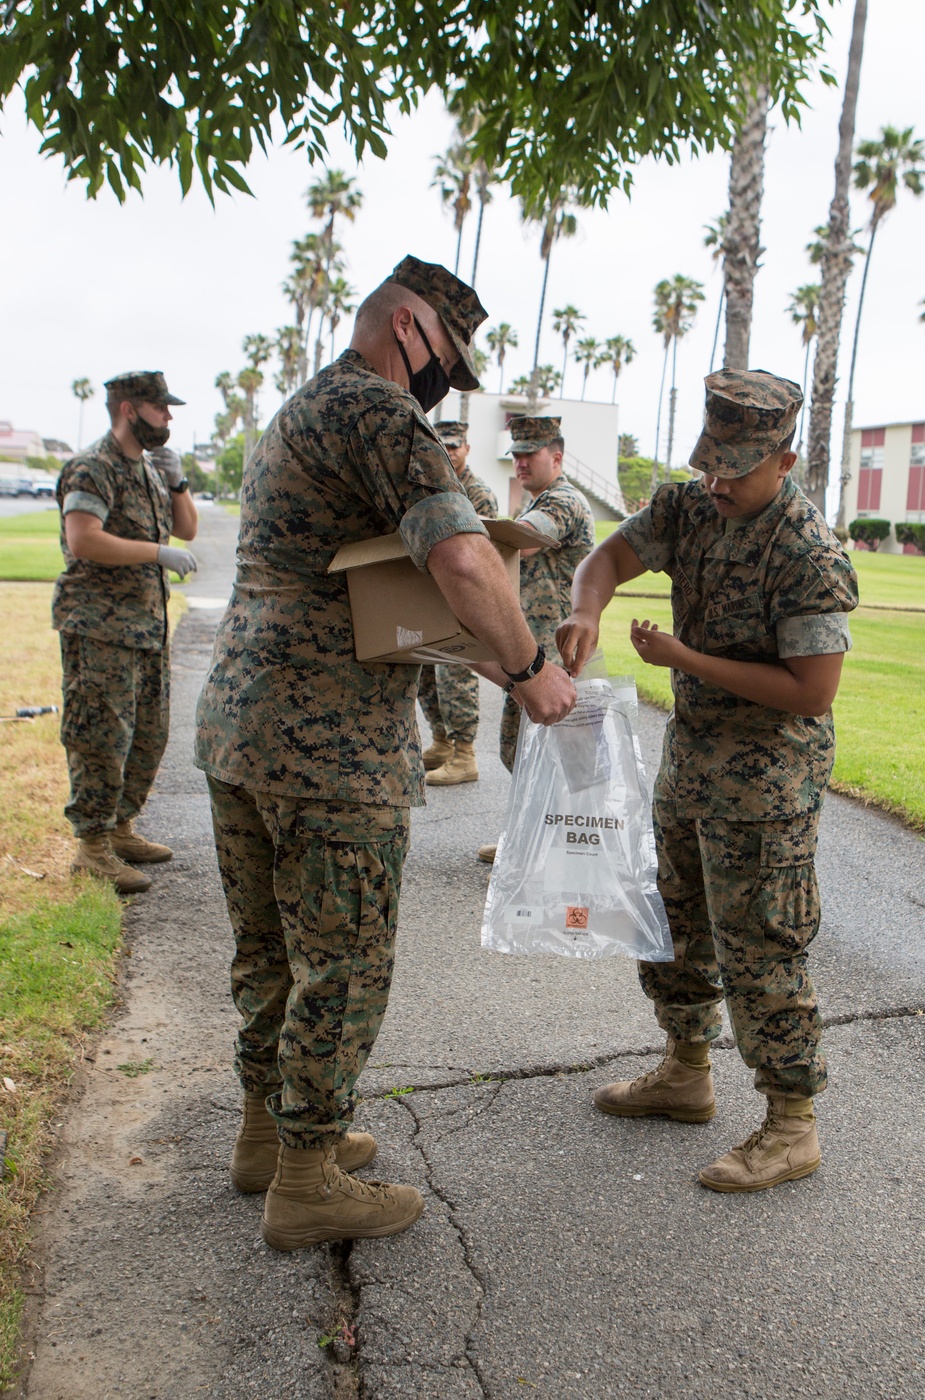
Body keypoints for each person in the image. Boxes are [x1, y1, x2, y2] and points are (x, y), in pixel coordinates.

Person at [194, 256, 576, 1250]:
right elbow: (460, 557)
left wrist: (497, 661)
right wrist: (531, 669)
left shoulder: (306, 406)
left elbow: (387, 594)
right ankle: (307, 1180)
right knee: (344, 961)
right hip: (328, 746)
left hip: (242, 725)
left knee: (269, 951)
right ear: (408, 326)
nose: (445, 381)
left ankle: (267, 1137)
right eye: (446, 356)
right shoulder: (378, 409)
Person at [557, 369, 859, 1193]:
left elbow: (812, 691)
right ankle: (685, 1071)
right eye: (708, 463)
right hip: (692, 761)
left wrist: (684, 658)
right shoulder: (690, 506)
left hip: (767, 783)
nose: (716, 483)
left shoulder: (807, 553)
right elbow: (607, 558)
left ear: (785, 461)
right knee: (675, 920)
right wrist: (586, 607)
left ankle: (792, 1124)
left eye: (736, 469)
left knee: (760, 944)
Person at [53, 370, 198, 895]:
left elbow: (187, 529)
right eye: (160, 407)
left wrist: (178, 483)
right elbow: (84, 539)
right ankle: (92, 847)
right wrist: (156, 553)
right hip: (99, 627)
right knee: (100, 737)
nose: (168, 416)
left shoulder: (150, 470)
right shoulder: (92, 467)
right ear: (129, 409)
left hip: (145, 627)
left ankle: (119, 827)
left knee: (148, 735)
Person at [477, 414, 595, 862]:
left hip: (556, 656)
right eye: (517, 455)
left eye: (531, 454)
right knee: (524, 751)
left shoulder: (563, 500)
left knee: (554, 757)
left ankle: (553, 852)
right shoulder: (541, 500)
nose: (521, 462)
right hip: (536, 651)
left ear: (557, 457)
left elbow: (522, 541)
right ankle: (533, 840)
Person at [419, 419, 498, 786]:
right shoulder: (429, 487)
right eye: (443, 445)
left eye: (454, 445)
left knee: (455, 671)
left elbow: (483, 553)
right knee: (425, 669)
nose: (449, 452)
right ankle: (441, 742)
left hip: (464, 599)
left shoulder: (477, 493)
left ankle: (465, 753)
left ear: (467, 448)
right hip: (430, 597)